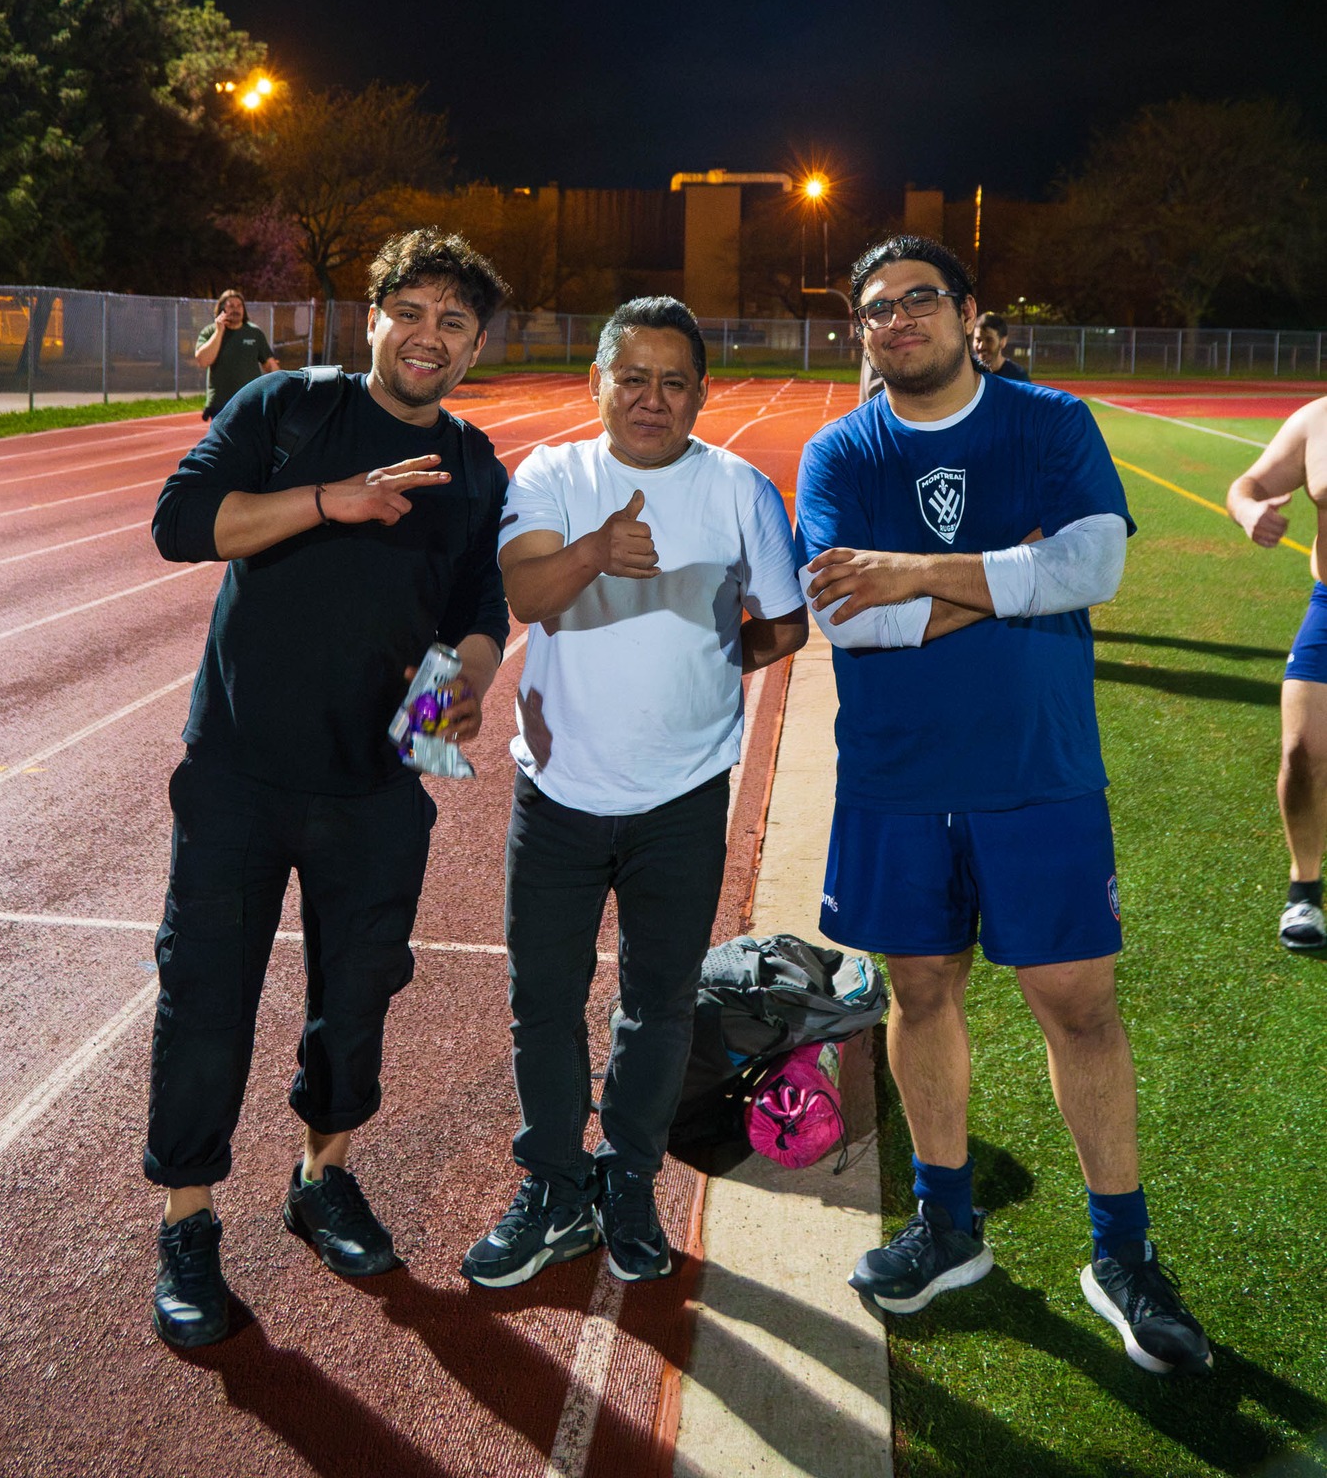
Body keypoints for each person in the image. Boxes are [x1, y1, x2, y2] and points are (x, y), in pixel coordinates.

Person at [795, 233, 1210, 1375]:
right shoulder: (840, 450)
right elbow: (843, 616)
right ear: (862, 333)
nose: (897, 320)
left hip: (1040, 771)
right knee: (919, 989)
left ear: (966, 312)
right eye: (875, 309)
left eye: (919, 298)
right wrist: (1004, 574)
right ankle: (946, 1224)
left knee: (1077, 1002)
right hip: (899, 774)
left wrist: (922, 569)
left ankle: (1120, 1250)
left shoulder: (1048, 422)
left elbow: (1095, 568)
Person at [146, 228, 510, 1348]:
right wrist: (329, 498)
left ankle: (321, 1176)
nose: (431, 336)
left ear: (475, 345)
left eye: (456, 321)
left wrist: (460, 691)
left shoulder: (474, 461)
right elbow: (179, 528)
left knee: (357, 997)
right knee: (207, 999)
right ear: (372, 317)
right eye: (414, 311)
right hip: (241, 771)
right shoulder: (280, 407)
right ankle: (189, 1222)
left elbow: (478, 611)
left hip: (377, 784)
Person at [461, 297, 807, 1289]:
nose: (651, 399)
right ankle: (555, 1184)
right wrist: (597, 552)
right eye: (632, 377)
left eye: (673, 381)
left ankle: (630, 1181)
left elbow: (783, 627)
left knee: (656, 1006)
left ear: (702, 393)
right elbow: (525, 594)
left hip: (684, 796)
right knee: (543, 1003)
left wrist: (708, 659)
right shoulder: (553, 473)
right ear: (597, 381)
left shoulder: (742, 488)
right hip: (558, 792)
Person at [1227, 399, 1327, 951]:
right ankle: (1304, 890)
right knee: (1300, 752)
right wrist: (1247, 510)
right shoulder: (1318, 419)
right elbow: (1248, 483)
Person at [194, 288, 280, 420]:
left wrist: (280, 386)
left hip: (251, 401)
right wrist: (219, 331)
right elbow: (203, 361)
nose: (236, 309)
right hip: (221, 404)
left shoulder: (254, 333)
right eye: (231, 306)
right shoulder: (210, 332)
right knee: (225, 440)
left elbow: (270, 365)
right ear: (222, 309)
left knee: (251, 440)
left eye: (239, 306)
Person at [973, 311, 1030, 381]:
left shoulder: (1017, 376)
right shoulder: (966, 371)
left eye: (989, 340)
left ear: (1003, 341)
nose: (981, 346)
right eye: (978, 340)